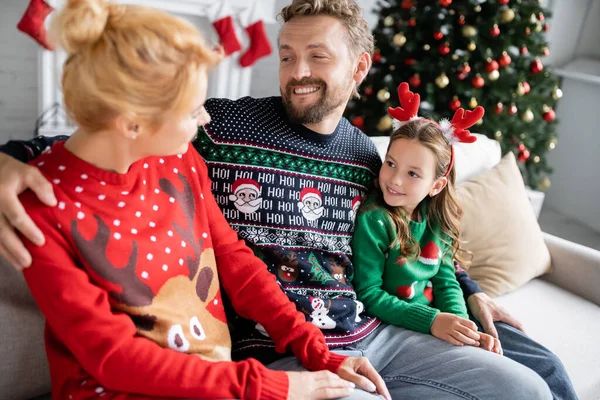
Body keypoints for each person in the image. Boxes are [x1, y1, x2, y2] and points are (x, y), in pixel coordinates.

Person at [0, 0, 576, 399]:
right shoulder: (216, 129)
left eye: (317, 57)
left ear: (358, 67)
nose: (297, 72)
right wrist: (2, 162)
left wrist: (469, 293)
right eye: (286, 55)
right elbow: (92, 139)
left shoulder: (371, 162)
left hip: (373, 333)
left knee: (525, 384)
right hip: (274, 350)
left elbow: (418, 231)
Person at [12, 0, 391, 399]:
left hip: (220, 380)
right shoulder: (41, 206)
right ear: (133, 123)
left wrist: (313, 349)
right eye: (193, 110)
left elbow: (236, 263)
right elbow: (112, 356)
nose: (205, 119)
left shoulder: (181, 161)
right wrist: (272, 386)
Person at [351, 83, 502, 354]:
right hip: (393, 324)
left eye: (413, 174)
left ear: (436, 185)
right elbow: (369, 293)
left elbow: (446, 280)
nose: (394, 180)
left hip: (433, 318)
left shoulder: (437, 221)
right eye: (391, 164)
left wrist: (463, 325)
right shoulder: (374, 219)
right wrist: (432, 321)